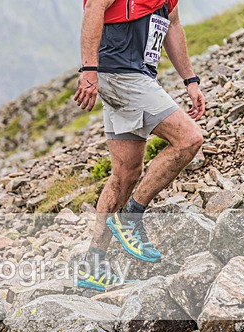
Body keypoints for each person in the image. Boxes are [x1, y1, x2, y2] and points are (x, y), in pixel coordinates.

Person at [74, 0, 205, 291]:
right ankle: (131, 217)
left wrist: (190, 80)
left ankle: (93, 265)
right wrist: (88, 70)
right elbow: (94, 7)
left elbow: (172, 24)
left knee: (126, 173)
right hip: (121, 73)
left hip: (131, 75)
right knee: (189, 139)